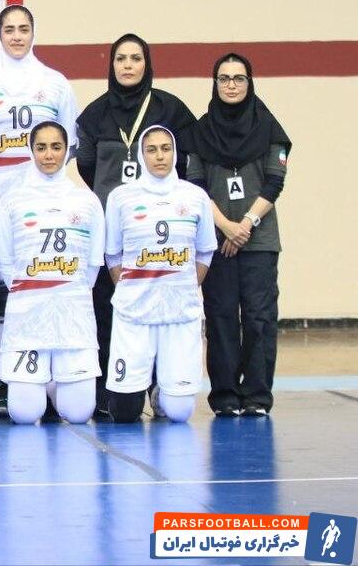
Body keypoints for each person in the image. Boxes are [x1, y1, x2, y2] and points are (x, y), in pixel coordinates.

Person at [0, 5, 77, 415]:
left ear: (33, 32)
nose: (16, 36)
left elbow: (68, 143)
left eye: (23, 28)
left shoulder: (55, 83)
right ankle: (0, 379)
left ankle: (44, 379)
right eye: (9, 29)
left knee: (40, 284)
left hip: (42, 205)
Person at [75, 33, 196, 416]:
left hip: (159, 236)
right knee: (106, 310)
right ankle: (109, 393)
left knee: (159, 314)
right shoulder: (95, 114)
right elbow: (87, 166)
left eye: (135, 58)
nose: (128, 65)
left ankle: (162, 389)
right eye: (121, 59)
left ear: (147, 64)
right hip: (113, 233)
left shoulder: (171, 109)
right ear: (111, 65)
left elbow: (187, 163)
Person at [188, 53, 291, 418]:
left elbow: (274, 182)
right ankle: (226, 396)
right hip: (217, 242)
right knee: (220, 317)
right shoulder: (200, 131)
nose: (231, 85)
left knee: (259, 317)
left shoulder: (270, 128)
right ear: (214, 83)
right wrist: (225, 226)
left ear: (250, 82)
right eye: (224, 78)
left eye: (238, 78)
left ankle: (257, 395)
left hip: (259, 242)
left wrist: (245, 224)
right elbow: (196, 186)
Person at [105, 125, 216, 423]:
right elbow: (112, 254)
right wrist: (129, 289)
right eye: (151, 150)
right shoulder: (121, 197)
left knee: (179, 413)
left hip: (180, 312)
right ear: (141, 155)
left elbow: (205, 251)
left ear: (175, 153)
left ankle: (161, 392)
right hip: (134, 312)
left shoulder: (195, 197)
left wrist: (185, 286)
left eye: (166, 149)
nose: (159, 156)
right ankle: (137, 391)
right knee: (125, 414)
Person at [0, 122, 103, 425]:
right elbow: (7, 263)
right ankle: (44, 383)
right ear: (31, 150)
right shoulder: (12, 201)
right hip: (27, 317)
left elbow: (93, 264)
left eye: (56, 147)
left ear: (67, 150)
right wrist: (35, 290)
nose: (48, 155)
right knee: (24, 415)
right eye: (41, 147)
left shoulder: (86, 201)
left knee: (80, 414)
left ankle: (56, 384)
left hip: (73, 319)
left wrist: (64, 290)